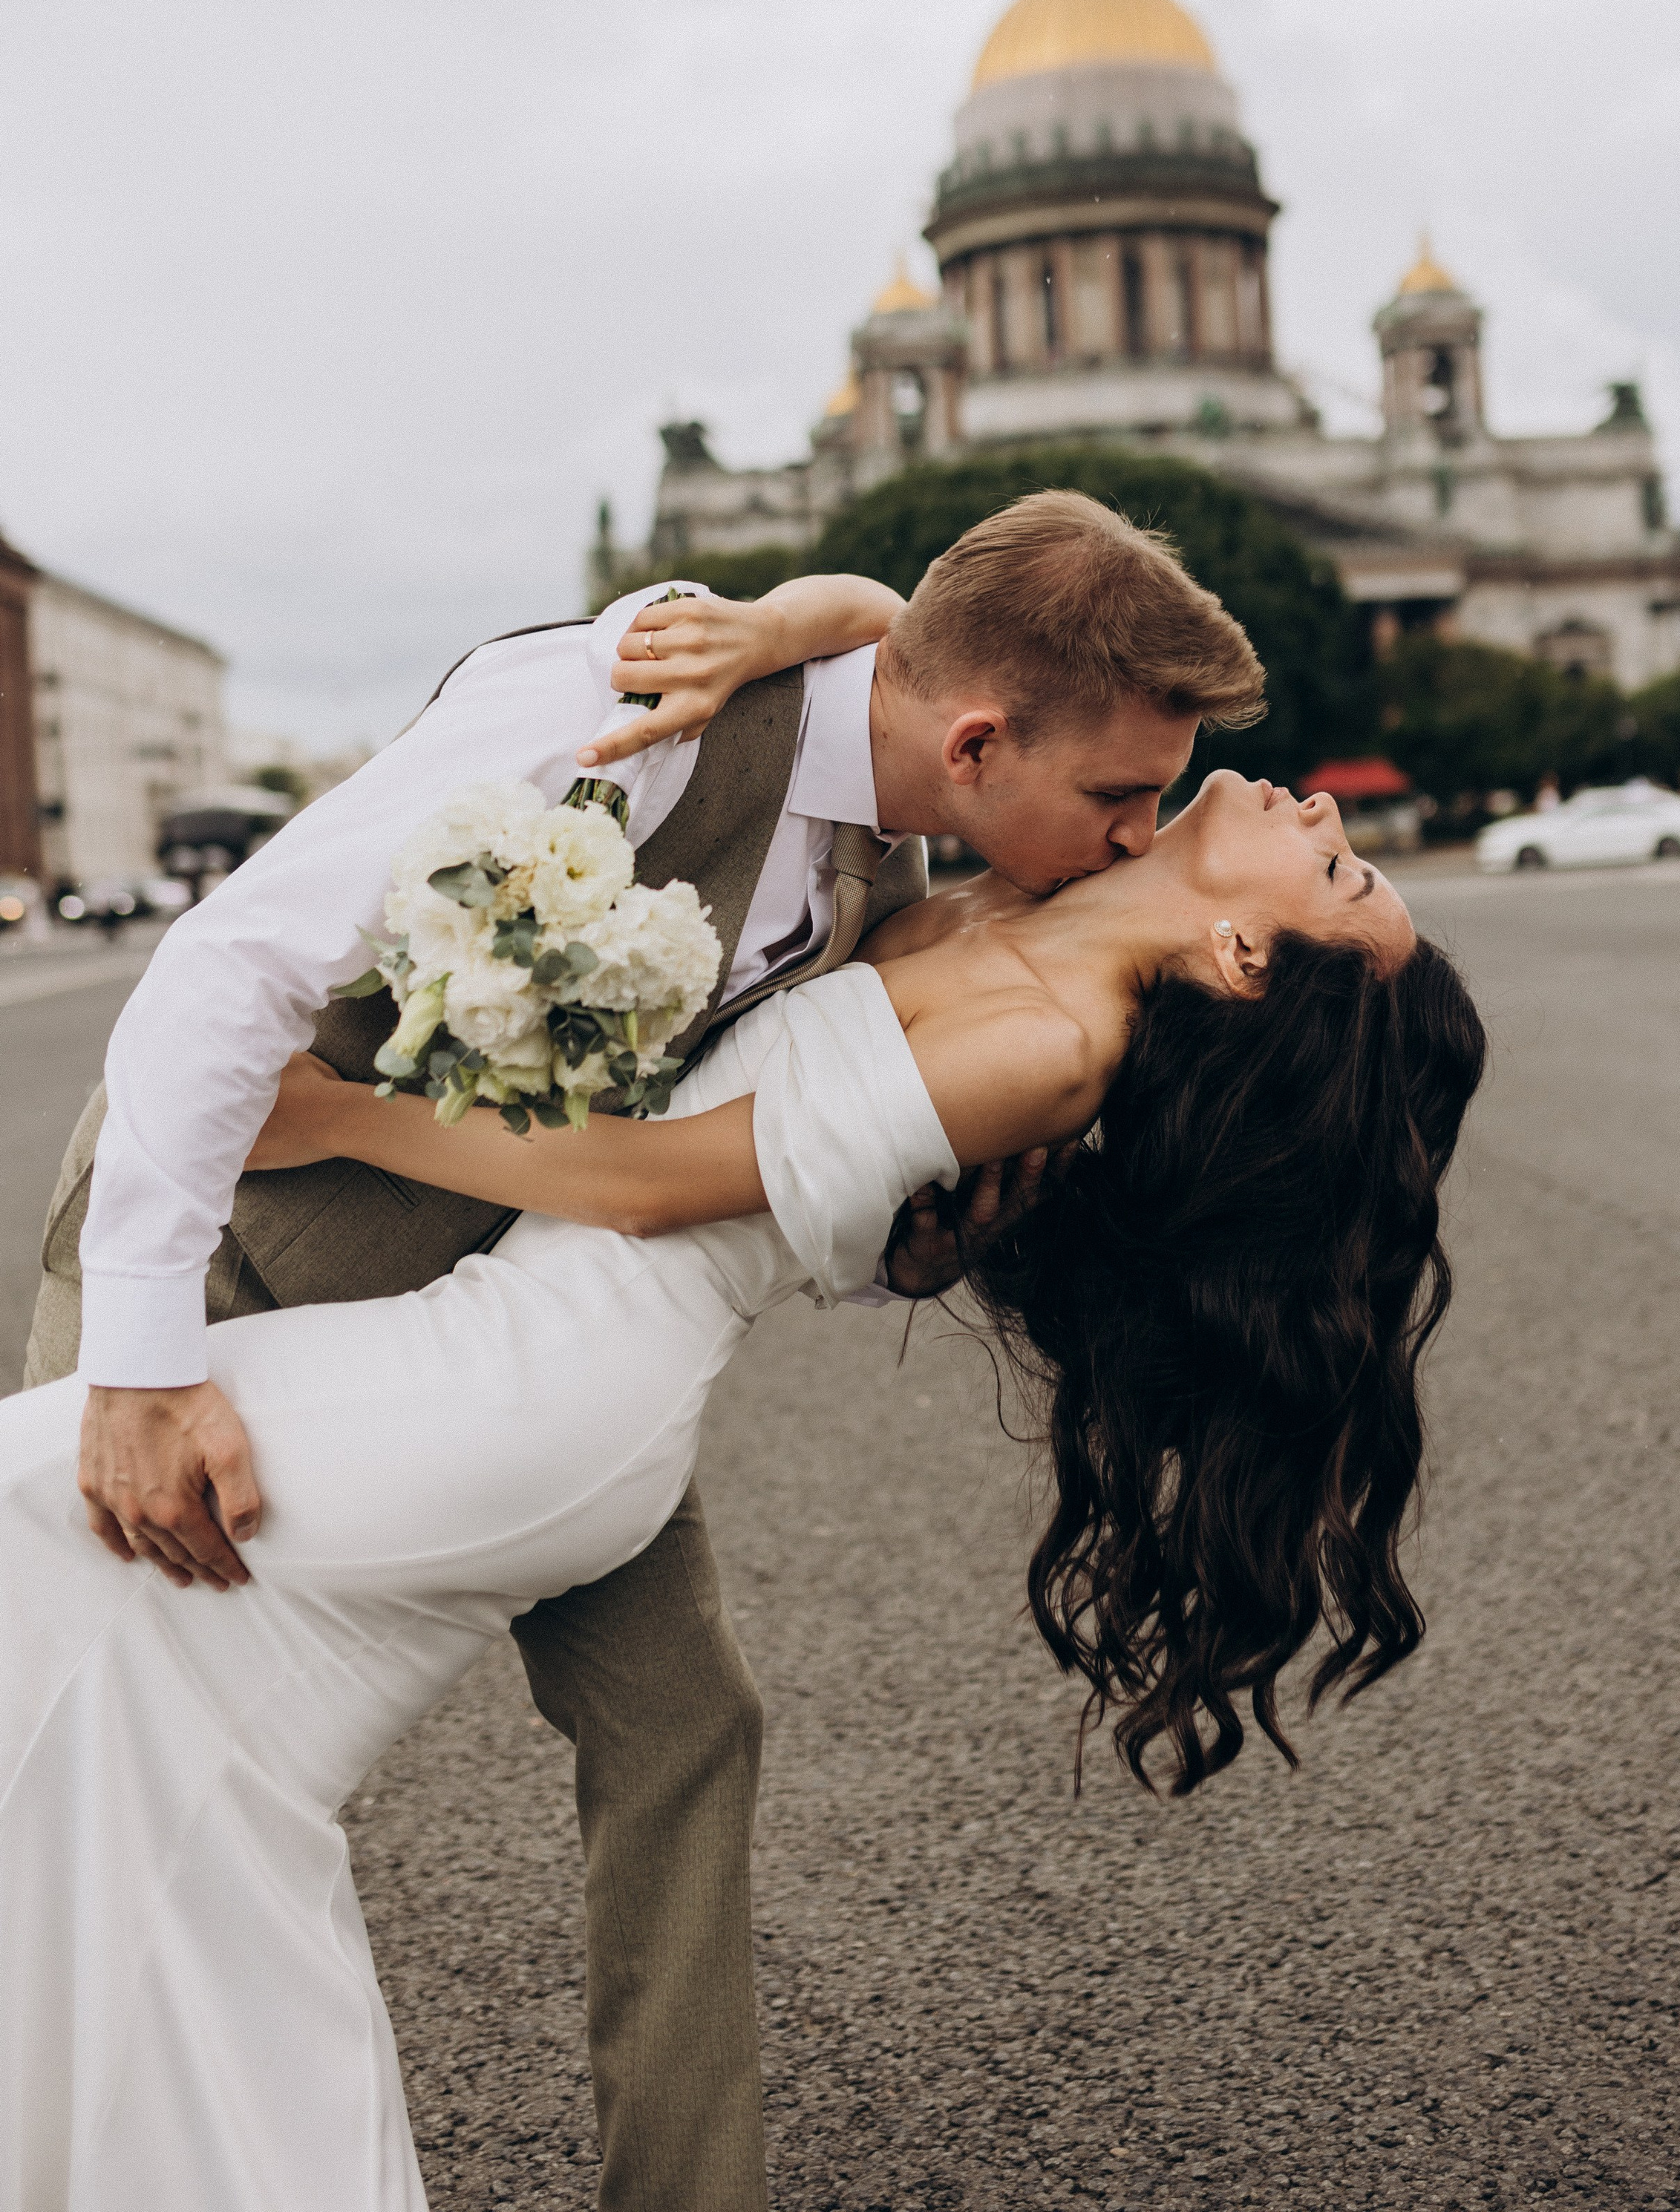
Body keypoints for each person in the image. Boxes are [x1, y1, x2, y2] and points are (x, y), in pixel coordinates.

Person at [1, 709, 1485, 2208]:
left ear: (1242, 954)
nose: (1316, 814)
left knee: (44, 1522)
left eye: (1338, 872)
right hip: (539, 1342)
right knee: (157, 1740)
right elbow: (909, 740)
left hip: (549, 1371)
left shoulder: (1054, 1040)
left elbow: (657, 1187)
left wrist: (338, 1117)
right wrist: (808, 614)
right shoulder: (1003, 894)